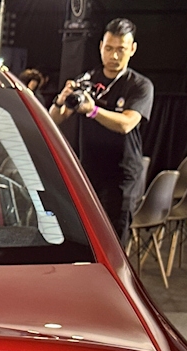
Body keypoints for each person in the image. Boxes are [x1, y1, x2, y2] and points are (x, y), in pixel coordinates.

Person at [49, 18, 154, 246]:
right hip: (89, 170)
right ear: (100, 47)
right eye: (108, 48)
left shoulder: (139, 85)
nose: (114, 55)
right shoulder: (87, 80)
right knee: (82, 238)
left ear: (132, 49)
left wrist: (93, 110)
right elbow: (54, 119)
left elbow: (126, 123)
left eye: (121, 49)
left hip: (122, 176)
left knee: (113, 242)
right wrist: (60, 100)